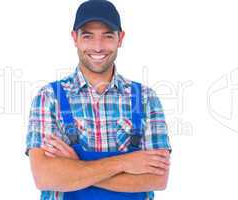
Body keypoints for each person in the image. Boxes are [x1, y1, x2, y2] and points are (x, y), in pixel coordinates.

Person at [25, 0, 172, 199]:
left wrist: (75, 168)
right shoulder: (49, 98)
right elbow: (45, 177)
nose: (98, 46)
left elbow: (157, 180)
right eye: (87, 36)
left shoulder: (145, 99)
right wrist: (125, 163)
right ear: (74, 38)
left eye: (107, 36)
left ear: (120, 38)